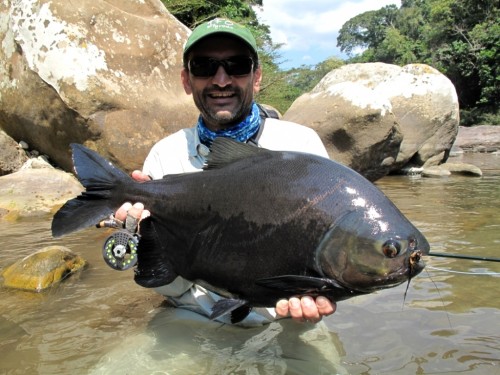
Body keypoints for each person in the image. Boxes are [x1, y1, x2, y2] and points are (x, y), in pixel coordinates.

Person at [116, 18, 336, 326]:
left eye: (237, 65)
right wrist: (142, 238)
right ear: (186, 80)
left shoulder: (301, 145)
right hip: (191, 316)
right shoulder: (164, 156)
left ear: (256, 77)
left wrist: (313, 294)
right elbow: (167, 284)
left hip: (285, 322)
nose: (221, 80)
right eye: (204, 66)